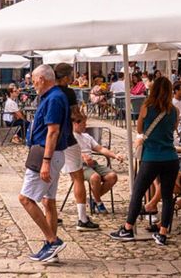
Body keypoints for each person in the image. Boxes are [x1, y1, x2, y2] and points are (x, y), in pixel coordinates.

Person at [110, 77, 179, 246]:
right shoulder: (175, 110)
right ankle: (163, 233)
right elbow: (174, 128)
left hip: (151, 157)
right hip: (171, 157)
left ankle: (127, 228)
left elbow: (140, 129)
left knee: (138, 192)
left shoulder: (147, 108)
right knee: (168, 196)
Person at [17, 64, 69, 263]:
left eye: (34, 80)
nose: (32, 83)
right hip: (49, 153)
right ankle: (51, 249)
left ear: (44, 79)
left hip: (45, 154)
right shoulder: (51, 97)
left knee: (26, 199)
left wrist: (46, 161)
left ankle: (52, 240)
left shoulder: (54, 98)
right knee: (48, 201)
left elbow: (53, 131)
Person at [53, 64, 99, 231]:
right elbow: (74, 115)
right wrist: (81, 115)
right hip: (67, 137)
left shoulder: (47, 90)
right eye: (71, 75)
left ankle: (51, 214)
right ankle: (82, 218)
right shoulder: (69, 92)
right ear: (65, 77)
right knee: (78, 177)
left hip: (51, 140)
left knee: (51, 177)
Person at [72, 112, 125, 213]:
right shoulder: (70, 137)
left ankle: (92, 199)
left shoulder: (86, 136)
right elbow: (70, 153)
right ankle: (99, 202)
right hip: (79, 166)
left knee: (112, 176)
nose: (85, 126)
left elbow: (100, 149)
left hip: (92, 163)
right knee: (95, 177)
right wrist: (83, 157)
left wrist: (115, 155)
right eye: (83, 123)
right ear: (76, 124)